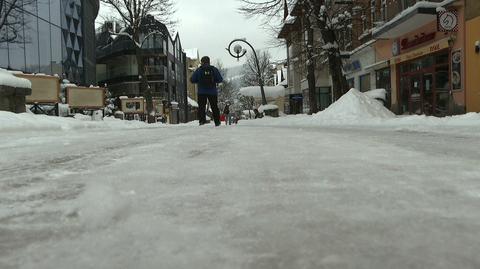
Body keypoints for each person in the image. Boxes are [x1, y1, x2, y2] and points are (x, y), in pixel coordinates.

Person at [190, 56, 223, 126]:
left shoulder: (199, 70)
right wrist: (214, 81)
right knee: (214, 106)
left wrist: (198, 81)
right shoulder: (214, 69)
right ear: (209, 61)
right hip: (212, 92)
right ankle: (217, 121)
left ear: (202, 62)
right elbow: (220, 79)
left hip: (201, 92)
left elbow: (192, 80)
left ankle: (202, 121)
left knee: (201, 106)